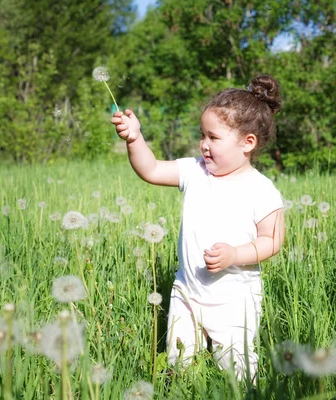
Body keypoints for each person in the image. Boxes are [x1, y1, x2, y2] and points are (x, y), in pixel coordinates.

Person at [111, 74, 285, 381]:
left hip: (235, 299)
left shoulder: (261, 189)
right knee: (179, 361)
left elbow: (272, 240)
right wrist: (135, 138)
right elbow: (150, 170)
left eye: (213, 137)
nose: (203, 144)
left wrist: (234, 254)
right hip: (187, 291)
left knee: (236, 366)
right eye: (202, 135)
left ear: (248, 143)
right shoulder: (195, 171)